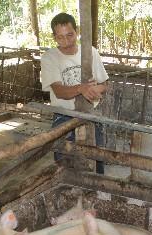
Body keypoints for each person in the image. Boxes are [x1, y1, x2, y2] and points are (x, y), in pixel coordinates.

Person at [40, 12, 108, 173]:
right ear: (54, 37)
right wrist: (81, 88)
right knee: (65, 163)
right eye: (60, 37)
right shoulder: (49, 57)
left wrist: (93, 89)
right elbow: (59, 91)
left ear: (76, 31)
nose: (66, 41)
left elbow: (105, 84)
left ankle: (95, 193)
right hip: (64, 115)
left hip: (91, 113)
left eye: (70, 35)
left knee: (97, 162)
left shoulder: (90, 52)